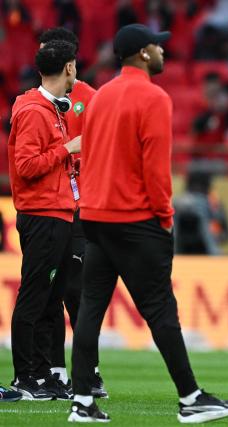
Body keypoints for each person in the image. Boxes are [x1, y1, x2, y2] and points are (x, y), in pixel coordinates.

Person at [69, 24, 228, 423]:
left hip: (95, 218)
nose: (163, 50)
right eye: (157, 45)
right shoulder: (153, 97)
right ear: (143, 53)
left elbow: (89, 157)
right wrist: (165, 217)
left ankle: (82, 403)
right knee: (161, 309)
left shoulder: (99, 97)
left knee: (89, 310)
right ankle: (190, 398)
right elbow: (156, 169)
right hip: (135, 219)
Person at [7, 40, 81, 400]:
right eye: (75, 66)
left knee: (51, 301)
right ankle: (26, 378)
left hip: (59, 213)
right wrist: (67, 150)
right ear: (68, 67)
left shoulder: (50, 109)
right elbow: (25, 167)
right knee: (35, 298)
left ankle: (43, 375)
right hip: (42, 215)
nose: (76, 73)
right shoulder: (35, 111)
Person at [38, 26, 107, 400]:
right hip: (49, 202)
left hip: (82, 204)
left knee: (76, 291)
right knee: (50, 290)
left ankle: (90, 370)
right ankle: (55, 369)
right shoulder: (34, 101)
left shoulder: (89, 99)